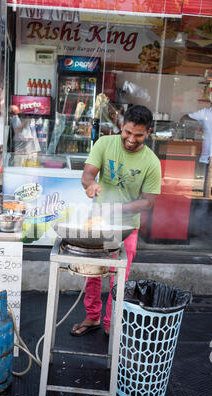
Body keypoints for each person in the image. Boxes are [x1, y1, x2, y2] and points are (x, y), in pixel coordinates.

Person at [70, 105, 162, 337]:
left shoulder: (151, 162)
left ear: (148, 132)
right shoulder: (104, 143)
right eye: (128, 132)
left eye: (138, 135)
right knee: (92, 274)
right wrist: (91, 185)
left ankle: (112, 325)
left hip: (127, 227)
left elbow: (148, 202)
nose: (131, 139)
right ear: (122, 126)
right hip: (98, 223)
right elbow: (88, 174)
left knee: (118, 278)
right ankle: (92, 317)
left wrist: (116, 209)